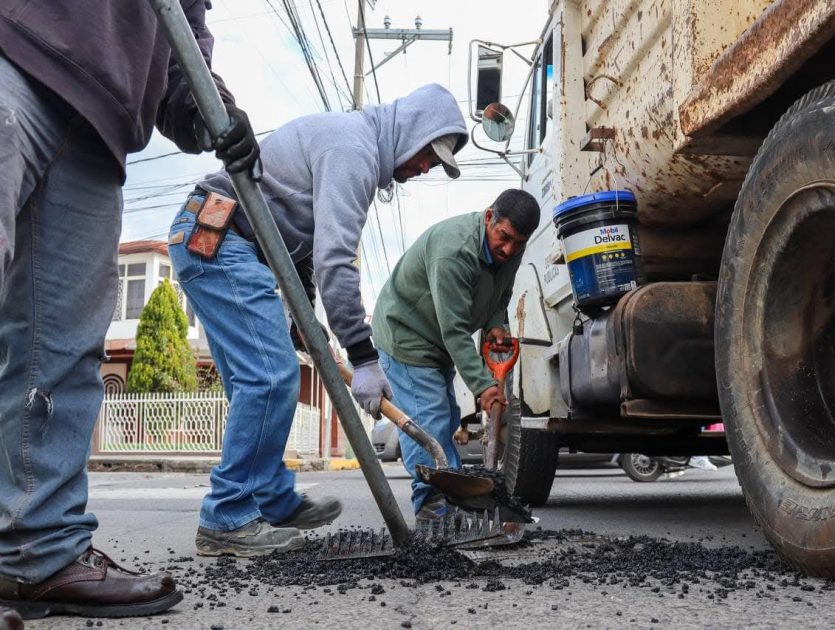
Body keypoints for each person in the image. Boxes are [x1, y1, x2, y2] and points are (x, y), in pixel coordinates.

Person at [0, 1, 259, 621]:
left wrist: (212, 111)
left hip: (100, 129)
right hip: (17, 52)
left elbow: (179, 59)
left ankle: (38, 552)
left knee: (60, 352)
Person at [168, 83, 468, 556]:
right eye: (429, 154)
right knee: (269, 378)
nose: (426, 167)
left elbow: (301, 250)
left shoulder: (353, 144)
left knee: (257, 382)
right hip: (219, 234)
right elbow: (335, 259)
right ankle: (226, 518)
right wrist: (364, 354)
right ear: (412, 129)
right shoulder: (353, 149)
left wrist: (305, 317)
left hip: (224, 237)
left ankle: (267, 498)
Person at [371, 189, 541, 520]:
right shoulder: (454, 251)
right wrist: (483, 386)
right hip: (407, 334)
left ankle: (453, 502)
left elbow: (502, 294)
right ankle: (433, 508)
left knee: (446, 417)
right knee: (429, 420)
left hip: (437, 342)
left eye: (518, 243)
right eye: (503, 237)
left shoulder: (511, 248)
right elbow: (454, 330)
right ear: (489, 217)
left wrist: (495, 324)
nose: (509, 249)